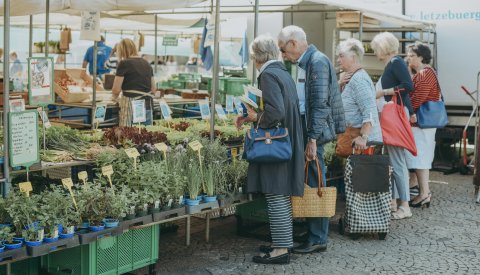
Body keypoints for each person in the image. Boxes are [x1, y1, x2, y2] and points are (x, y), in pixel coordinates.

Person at [235, 35, 304, 265]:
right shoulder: (282, 71)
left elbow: (275, 113)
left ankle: (281, 250)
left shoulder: (268, 75)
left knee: (275, 195)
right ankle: (281, 243)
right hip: (287, 139)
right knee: (280, 194)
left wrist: (255, 116)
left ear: (256, 56)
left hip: (275, 143)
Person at [278, 25, 345, 253]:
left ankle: (318, 238)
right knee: (313, 179)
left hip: (314, 133)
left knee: (316, 182)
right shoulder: (310, 61)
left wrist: (312, 139)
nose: (283, 55)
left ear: (293, 43)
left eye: (283, 49)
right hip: (312, 130)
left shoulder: (316, 62)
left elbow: (320, 104)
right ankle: (315, 232)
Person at [371, 32, 414, 220]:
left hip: (394, 116)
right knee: (394, 161)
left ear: (382, 47)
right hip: (395, 115)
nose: (374, 52)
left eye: (375, 49)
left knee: (397, 162)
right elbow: (404, 91)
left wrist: (383, 92)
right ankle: (395, 201)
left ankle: (404, 205)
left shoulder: (396, 63)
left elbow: (408, 86)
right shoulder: (392, 63)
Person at [405, 43, 439, 208]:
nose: (408, 57)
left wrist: (407, 110)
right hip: (421, 122)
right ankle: (422, 192)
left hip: (421, 122)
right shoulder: (425, 72)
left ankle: (424, 193)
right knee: (420, 158)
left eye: (412, 55)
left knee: (420, 159)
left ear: (421, 57)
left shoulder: (425, 74)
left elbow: (418, 98)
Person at [336, 38, 382, 150]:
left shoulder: (359, 79)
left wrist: (364, 137)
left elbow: (369, 111)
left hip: (361, 144)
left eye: (341, 56)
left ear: (353, 57)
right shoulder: (352, 77)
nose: (338, 60)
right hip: (354, 141)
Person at [111, 38, 155, 126]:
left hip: (131, 106)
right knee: (145, 135)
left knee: (128, 136)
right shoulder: (147, 63)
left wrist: (114, 97)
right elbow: (153, 89)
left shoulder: (124, 63)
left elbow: (116, 90)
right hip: (147, 105)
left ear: (122, 50)